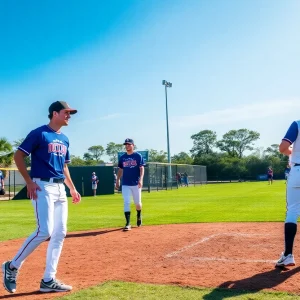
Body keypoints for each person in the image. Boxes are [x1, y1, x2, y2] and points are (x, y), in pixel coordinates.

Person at [2, 101, 81, 294]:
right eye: (66, 112)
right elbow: (18, 156)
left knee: (60, 233)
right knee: (44, 230)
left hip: (60, 187)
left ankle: (49, 279)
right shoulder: (39, 133)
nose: (69, 115)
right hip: (42, 186)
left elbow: (64, 167)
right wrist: (29, 181)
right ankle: (12, 266)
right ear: (55, 113)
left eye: (70, 113)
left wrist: (72, 188)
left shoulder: (65, 139)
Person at [275, 120, 300, 267]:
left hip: (298, 170)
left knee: (292, 211)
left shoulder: (297, 123)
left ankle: (288, 255)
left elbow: (283, 147)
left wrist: (290, 152)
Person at [115, 138, 145, 231]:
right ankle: (128, 223)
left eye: (129, 144)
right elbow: (120, 169)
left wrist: (141, 179)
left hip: (136, 183)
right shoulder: (122, 157)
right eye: (126, 145)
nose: (127, 146)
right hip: (126, 184)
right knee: (126, 202)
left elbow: (142, 168)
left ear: (133, 145)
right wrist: (117, 180)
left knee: (138, 203)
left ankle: (139, 215)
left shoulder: (138, 156)